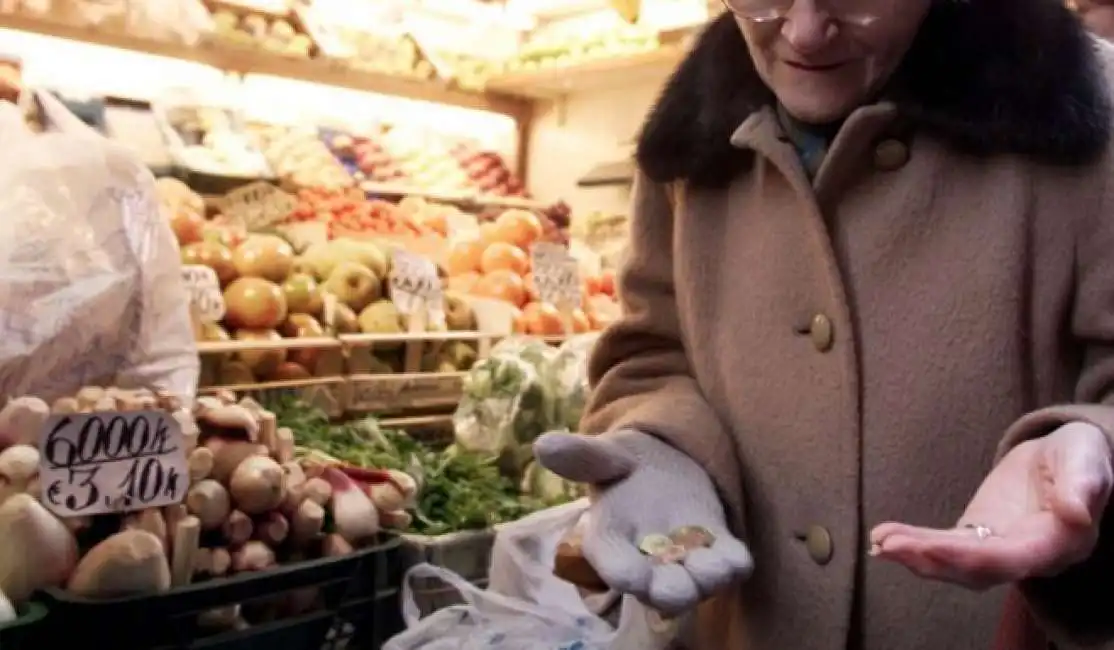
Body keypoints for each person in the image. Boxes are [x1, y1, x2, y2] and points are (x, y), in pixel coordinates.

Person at [533, 1, 1114, 649]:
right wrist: (656, 447)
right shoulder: (688, 137)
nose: (805, 32)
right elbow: (650, 352)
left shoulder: (1093, 116)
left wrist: (1097, 444)